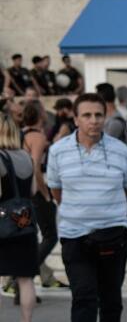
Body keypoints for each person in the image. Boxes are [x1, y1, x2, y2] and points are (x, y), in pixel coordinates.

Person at [45, 93, 127, 322]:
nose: (94, 121)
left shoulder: (122, 151)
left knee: (111, 297)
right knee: (83, 297)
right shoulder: (58, 151)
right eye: (87, 115)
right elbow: (56, 192)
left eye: (98, 115)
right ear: (75, 119)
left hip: (112, 234)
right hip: (75, 236)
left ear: (105, 117)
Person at [21, 101, 67, 293]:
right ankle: (22, 277)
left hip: (21, 190)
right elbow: (35, 168)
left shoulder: (21, 133)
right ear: (41, 115)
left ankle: (25, 278)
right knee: (50, 237)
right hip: (36, 192)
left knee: (34, 237)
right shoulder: (37, 137)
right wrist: (46, 194)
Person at [0, 115, 38, 322]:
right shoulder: (25, 157)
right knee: (26, 278)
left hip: (2, 226)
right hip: (24, 225)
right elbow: (31, 190)